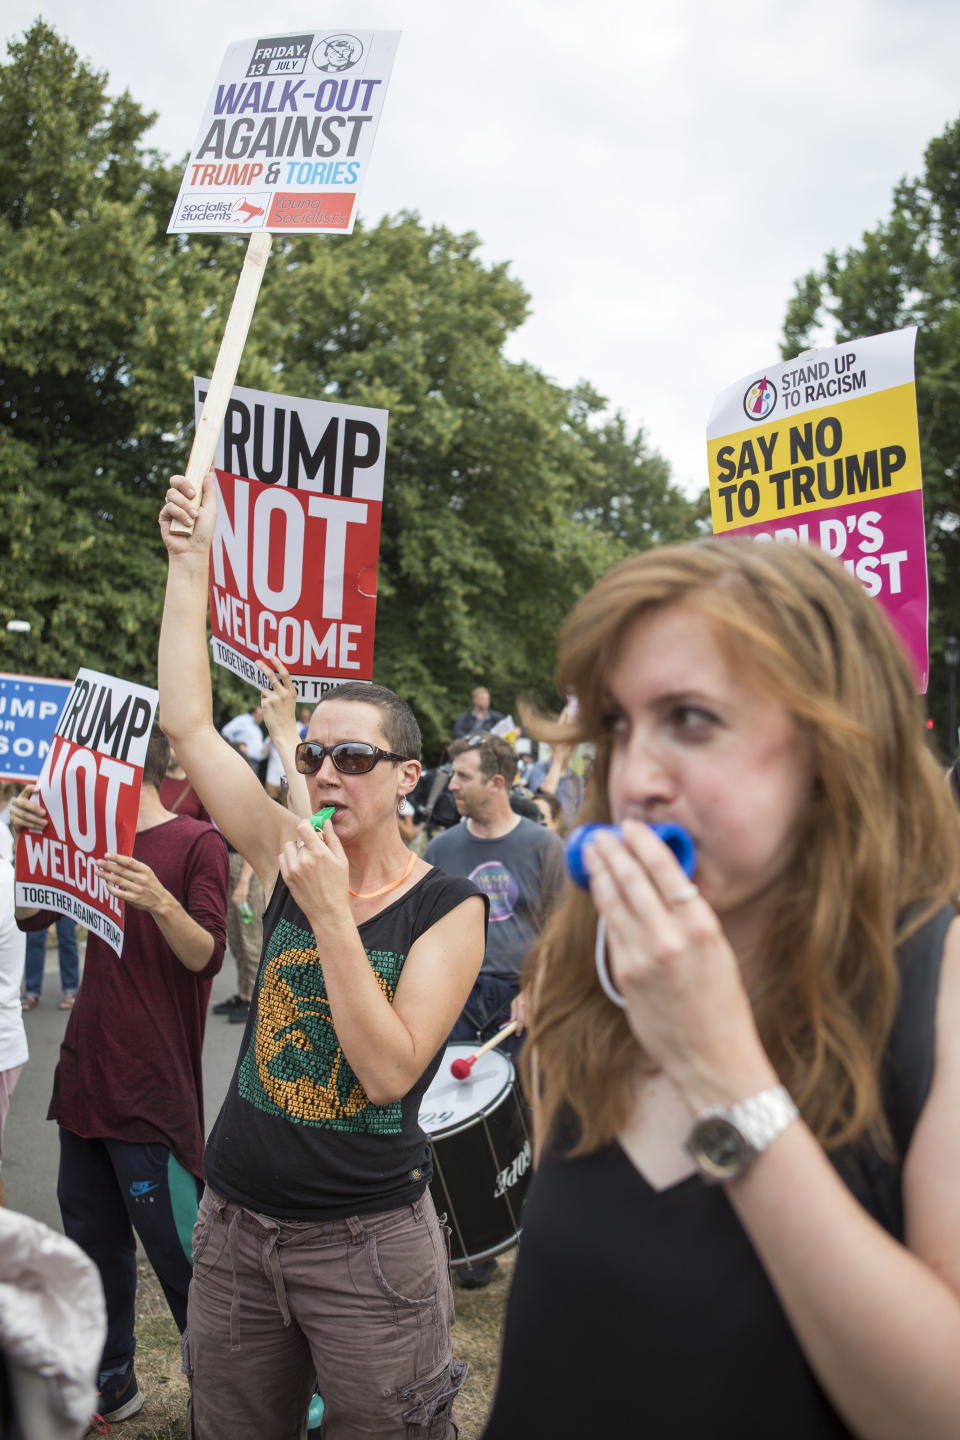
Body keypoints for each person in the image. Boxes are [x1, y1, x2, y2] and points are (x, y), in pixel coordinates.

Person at [482, 538, 960, 1440]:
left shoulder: (936, 982)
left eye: (692, 719)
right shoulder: (589, 967)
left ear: (833, 746)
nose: (635, 781)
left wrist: (723, 1076)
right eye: (620, 726)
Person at [158, 470, 487, 1440]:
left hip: (366, 1248)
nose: (327, 775)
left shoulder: (447, 907)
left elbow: (387, 1072)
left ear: (407, 777)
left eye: (353, 759)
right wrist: (191, 565)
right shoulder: (285, 846)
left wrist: (329, 912)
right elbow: (185, 723)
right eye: (313, 757)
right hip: (236, 1226)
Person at [10, 722, 229, 1431]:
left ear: (124, 770)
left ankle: (238, 1397)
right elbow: (28, 913)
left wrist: (159, 900)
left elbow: (207, 958)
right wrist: (24, 838)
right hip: (84, 1080)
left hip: (150, 1091)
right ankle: (112, 1381)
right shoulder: (83, 836)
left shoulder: (196, 842)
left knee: (186, 1260)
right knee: (92, 1246)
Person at [20, 914, 80, 1011]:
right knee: (34, 938)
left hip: (66, 898)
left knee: (67, 937)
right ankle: (32, 991)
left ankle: (71, 989)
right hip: (40, 900)